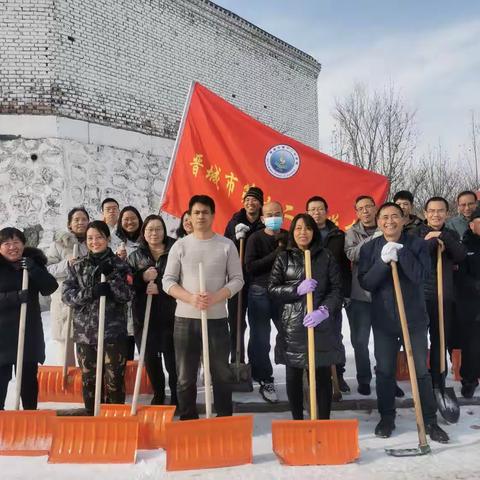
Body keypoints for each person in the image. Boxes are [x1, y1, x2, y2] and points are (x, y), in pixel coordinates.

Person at [358, 202, 449, 442]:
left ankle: (429, 419)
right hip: (384, 320)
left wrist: (402, 253)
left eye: (395, 216)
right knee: (385, 371)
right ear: (378, 222)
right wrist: (383, 262)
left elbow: (421, 276)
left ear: (404, 219)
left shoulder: (417, 245)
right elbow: (366, 282)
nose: (390, 221)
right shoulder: (370, 249)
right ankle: (387, 417)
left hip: (414, 319)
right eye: (385, 217)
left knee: (420, 371)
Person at [163, 195, 244, 420]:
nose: (200, 216)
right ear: (189, 216)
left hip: (216, 318)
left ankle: (224, 418)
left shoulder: (226, 245)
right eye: (196, 212)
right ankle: (189, 419)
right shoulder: (180, 246)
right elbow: (167, 281)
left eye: (205, 212)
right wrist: (190, 298)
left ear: (213, 216)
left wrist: (218, 296)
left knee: (221, 373)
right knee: (185, 376)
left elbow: (238, 279)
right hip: (185, 320)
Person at [268, 213, 343, 420]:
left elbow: (336, 289)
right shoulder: (284, 257)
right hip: (293, 326)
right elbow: (273, 289)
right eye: (299, 228)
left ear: (314, 232)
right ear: (293, 232)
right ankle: (298, 421)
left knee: (321, 375)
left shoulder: (326, 256)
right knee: (293, 375)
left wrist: (324, 311)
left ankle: (324, 421)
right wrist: (296, 289)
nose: (303, 232)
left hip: (321, 326)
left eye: (308, 228)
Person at [62, 220, 133, 414]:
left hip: (113, 335)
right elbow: (67, 296)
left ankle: (115, 420)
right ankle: (93, 419)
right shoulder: (78, 266)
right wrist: (91, 292)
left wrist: (111, 278)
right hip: (86, 335)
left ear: (108, 238)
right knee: (89, 380)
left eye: (99, 237)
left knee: (114, 380)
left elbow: (127, 295)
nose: (94, 242)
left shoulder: (120, 266)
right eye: (90, 238)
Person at [412, 197, 466, 393]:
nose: (436, 214)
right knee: (418, 340)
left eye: (440, 210)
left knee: (439, 340)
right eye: (432, 211)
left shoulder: (451, 233)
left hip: (443, 296)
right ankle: (421, 379)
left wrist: (442, 236)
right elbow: (415, 256)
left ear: (447, 212)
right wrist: (431, 241)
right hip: (420, 297)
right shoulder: (415, 233)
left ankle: (438, 381)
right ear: (425, 214)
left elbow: (460, 255)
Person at [0, 227, 58, 410]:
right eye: (6, 243)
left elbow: (50, 287)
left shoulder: (32, 264)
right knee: (0, 380)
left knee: (28, 380)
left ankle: (30, 417)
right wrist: (15, 297)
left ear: (23, 244)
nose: (12, 247)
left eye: (16, 242)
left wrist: (34, 269)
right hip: (2, 335)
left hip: (28, 332)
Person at [128, 215, 178, 405]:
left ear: (164, 231)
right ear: (144, 232)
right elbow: (127, 284)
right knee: (150, 359)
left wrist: (161, 288)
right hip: (144, 316)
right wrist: (141, 278)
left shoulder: (175, 250)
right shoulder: (135, 256)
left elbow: (182, 279)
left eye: (158, 229)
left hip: (171, 314)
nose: (154, 233)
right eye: (150, 230)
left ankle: (176, 395)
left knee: (173, 360)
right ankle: (158, 393)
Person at [306, 195, 352, 393]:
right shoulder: (303, 234)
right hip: (309, 293)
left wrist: (345, 293)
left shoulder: (338, 235)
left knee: (334, 335)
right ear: (307, 212)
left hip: (332, 293)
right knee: (309, 335)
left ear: (326, 211)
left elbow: (345, 267)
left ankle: (338, 375)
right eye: (312, 210)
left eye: (320, 209)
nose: (316, 213)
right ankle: (311, 375)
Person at [244, 201, 287, 403]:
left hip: (285, 292)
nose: (273, 217)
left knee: (290, 334)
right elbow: (251, 267)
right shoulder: (255, 238)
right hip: (259, 292)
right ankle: (264, 377)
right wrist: (275, 254)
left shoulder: (288, 236)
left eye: (277, 213)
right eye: (269, 214)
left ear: (283, 215)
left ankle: (296, 374)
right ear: (262, 218)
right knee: (260, 337)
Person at [224, 186, 265, 363]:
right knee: (236, 322)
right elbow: (224, 248)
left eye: (255, 199)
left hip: (258, 279)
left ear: (260, 203)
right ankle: (237, 359)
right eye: (247, 199)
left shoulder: (266, 222)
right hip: (237, 279)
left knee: (258, 325)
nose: (251, 202)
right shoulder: (234, 222)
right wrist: (236, 238)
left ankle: (257, 363)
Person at [344, 195, 379, 395]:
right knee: (360, 341)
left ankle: (387, 378)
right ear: (356, 213)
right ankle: (364, 378)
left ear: (375, 209)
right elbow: (352, 254)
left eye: (368, 206)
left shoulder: (387, 227)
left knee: (387, 340)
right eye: (361, 208)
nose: (365, 211)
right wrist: (372, 241)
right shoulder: (351, 233)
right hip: (360, 295)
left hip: (384, 295)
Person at [46, 207, 89, 364]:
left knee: (87, 343)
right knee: (66, 344)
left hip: (87, 299)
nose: (80, 222)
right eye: (76, 220)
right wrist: (67, 264)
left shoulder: (93, 241)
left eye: (84, 219)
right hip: (65, 300)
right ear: (69, 224)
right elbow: (48, 269)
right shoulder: (58, 245)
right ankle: (67, 384)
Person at [111, 206, 143, 360]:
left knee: (145, 345)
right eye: (126, 219)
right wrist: (117, 259)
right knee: (125, 345)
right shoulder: (113, 242)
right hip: (121, 302)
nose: (130, 222)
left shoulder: (147, 240)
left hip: (142, 297)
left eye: (133, 218)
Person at [457, 208, 480, 398]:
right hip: (471, 304)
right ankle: (469, 380)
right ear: (471, 224)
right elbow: (460, 276)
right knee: (472, 345)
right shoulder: (464, 246)